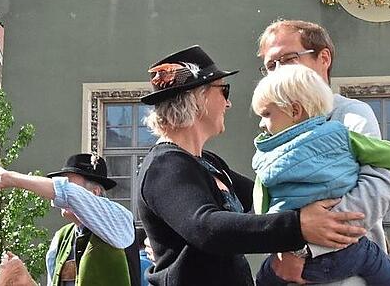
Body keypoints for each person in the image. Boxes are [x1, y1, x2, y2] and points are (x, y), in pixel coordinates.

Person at [136, 45, 368, 286]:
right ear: (197, 97)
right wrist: (298, 226)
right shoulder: (164, 165)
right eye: (224, 90)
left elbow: (270, 196)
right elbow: (207, 228)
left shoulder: (209, 163)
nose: (228, 103)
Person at [258, 20, 390, 284]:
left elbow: (378, 188)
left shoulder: (349, 114)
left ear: (323, 58)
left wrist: (303, 246)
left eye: (288, 59)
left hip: (347, 272)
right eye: (270, 65)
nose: (278, 71)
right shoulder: (275, 124)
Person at [0, 153, 135, 286]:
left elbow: (67, 193)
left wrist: (11, 178)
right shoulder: (61, 238)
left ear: (94, 193)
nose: (58, 198)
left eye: (69, 184)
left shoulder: (119, 220)